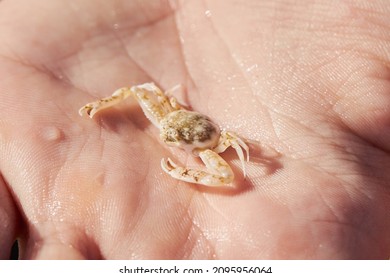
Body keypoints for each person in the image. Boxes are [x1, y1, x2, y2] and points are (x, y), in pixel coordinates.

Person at [0, 0, 389, 259]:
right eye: (171, 137)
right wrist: (105, 104)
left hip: (200, 130)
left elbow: (229, 175)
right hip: (178, 114)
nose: (169, 140)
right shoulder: (167, 116)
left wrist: (188, 170)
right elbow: (144, 90)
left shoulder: (215, 148)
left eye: (178, 141)